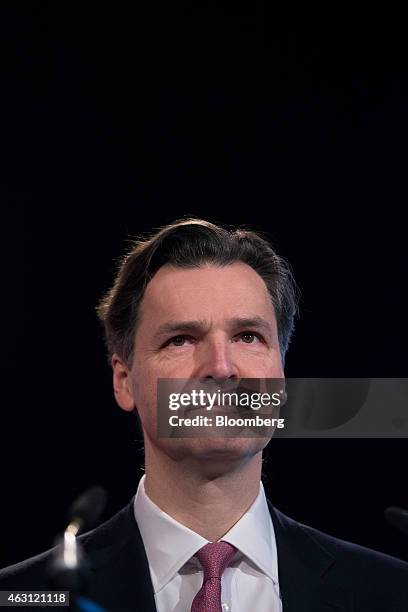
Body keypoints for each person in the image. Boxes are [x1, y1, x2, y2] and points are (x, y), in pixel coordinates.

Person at [1, 218, 407, 611]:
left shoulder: (390, 593)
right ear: (124, 380)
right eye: (181, 339)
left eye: (248, 337)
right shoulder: (25, 597)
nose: (221, 367)